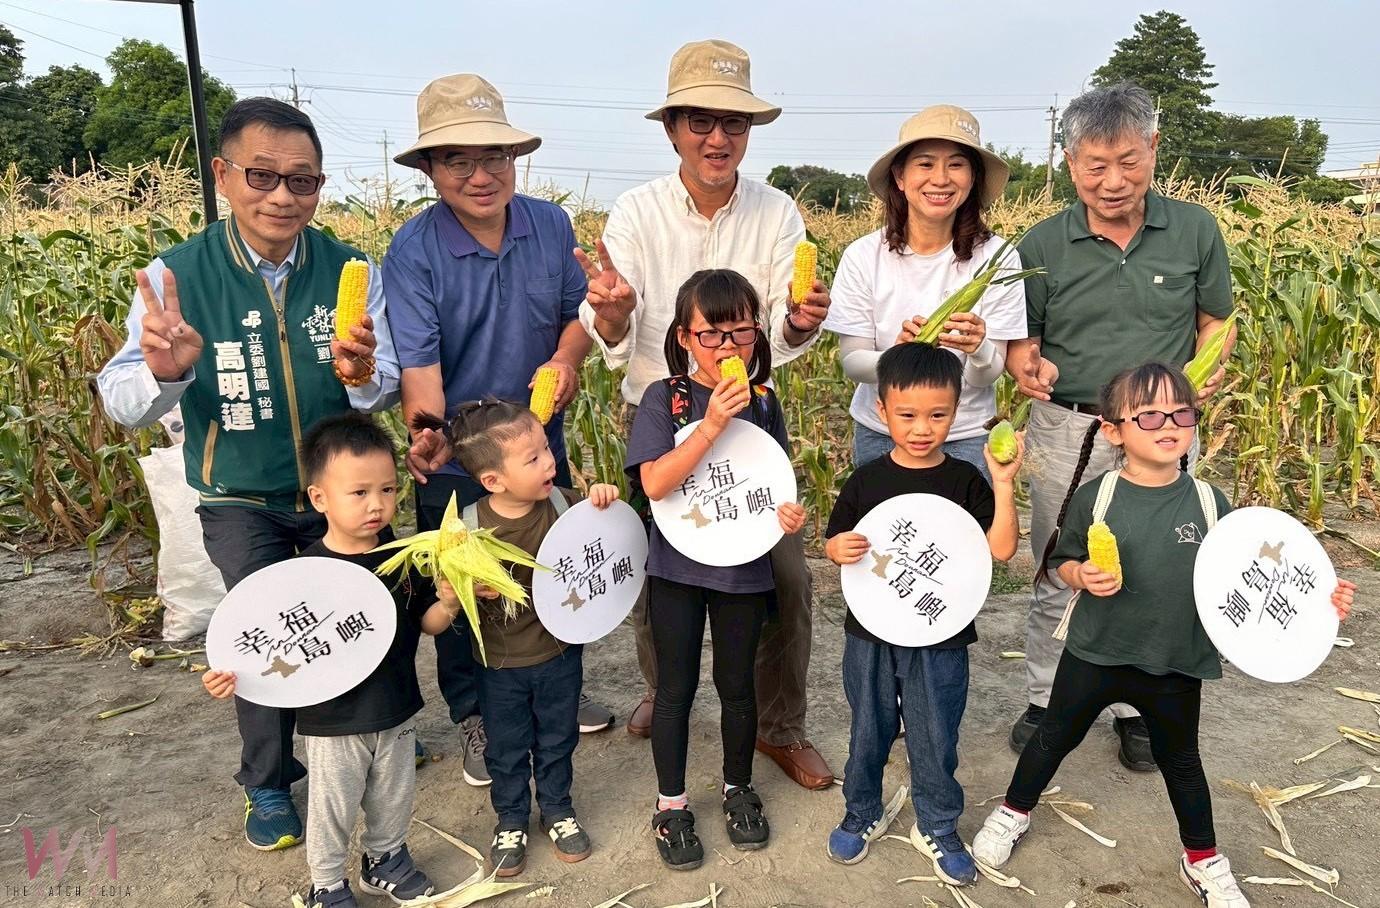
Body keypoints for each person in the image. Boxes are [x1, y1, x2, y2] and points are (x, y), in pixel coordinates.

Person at [96, 98, 399, 851]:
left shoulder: (350, 270)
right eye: (262, 175)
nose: (282, 196)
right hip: (240, 495)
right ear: (223, 176)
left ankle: (364, 733)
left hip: (343, 493)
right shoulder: (177, 277)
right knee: (268, 635)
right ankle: (268, 782)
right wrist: (166, 372)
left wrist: (363, 377)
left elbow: (383, 379)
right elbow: (122, 400)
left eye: (303, 181)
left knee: (364, 616)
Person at [972, 361, 1356, 907]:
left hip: (1174, 658)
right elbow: (1060, 562)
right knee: (1054, 736)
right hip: (1096, 652)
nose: (1169, 424)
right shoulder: (1095, 497)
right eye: (1149, 415)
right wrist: (1080, 574)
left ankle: (1201, 859)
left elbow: (1257, 574)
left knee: (1181, 760)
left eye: (1182, 412)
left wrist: (1318, 596)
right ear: (1113, 430)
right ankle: (1014, 811)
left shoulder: (1209, 503)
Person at [576, 39, 834, 789]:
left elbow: (782, 332)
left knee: (786, 574)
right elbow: (614, 332)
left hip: (750, 431)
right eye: (700, 122)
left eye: (734, 123)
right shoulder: (637, 211)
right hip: (663, 419)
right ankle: (666, 690)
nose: (717, 139)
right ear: (672, 129)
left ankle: (778, 726)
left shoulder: (779, 212)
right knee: (661, 575)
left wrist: (803, 324)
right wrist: (617, 312)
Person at [385, 73, 611, 789]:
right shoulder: (413, 251)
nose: (481, 176)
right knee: (466, 593)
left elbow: (579, 319)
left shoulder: (551, 225)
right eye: (458, 160)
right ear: (429, 169)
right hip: (460, 455)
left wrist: (567, 360)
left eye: (496, 158)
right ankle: (475, 714)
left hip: (540, 441)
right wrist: (431, 436)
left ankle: (552, 691)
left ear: (516, 160)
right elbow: (420, 369)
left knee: (554, 565)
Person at [1006, 83, 1237, 768]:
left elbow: (1215, 321)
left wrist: (1204, 371)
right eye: (1094, 164)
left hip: (1161, 427)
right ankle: (1048, 696)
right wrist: (1028, 367)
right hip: (1069, 428)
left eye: (1128, 162)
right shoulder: (1042, 243)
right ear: (1070, 160)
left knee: (1158, 565)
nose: (1112, 181)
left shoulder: (1194, 229)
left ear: (1153, 149)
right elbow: (1026, 339)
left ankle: (1142, 709)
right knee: (1060, 559)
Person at [202, 413, 444, 907]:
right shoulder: (300, 576)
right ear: (319, 499)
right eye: (359, 493)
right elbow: (262, 647)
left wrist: (449, 601)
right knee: (331, 807)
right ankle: (327, 883)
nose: (376, 505)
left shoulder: (401, 558)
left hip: (396, 707)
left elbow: (427, 622)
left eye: (387, 490)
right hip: (333, 723)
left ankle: (385, 858)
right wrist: (227, 677)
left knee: (392, 797)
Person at [624, 270, 808, 870]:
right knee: (676, 688)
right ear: (684, 337)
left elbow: (772, 477)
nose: (729, 349)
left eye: (742, 332)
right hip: (676, 568)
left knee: (738, 687)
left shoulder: (766, 402)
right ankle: (671, 803)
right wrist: (709, 427)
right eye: (712, 336)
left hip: (742, 568)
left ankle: (736, 787)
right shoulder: (665, 399)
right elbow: (654, 481)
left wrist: (787, 512)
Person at [822, 343, 1021, 885]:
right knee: (869, 726)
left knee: (937, 732)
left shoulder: (965, 481)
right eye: (907, 415)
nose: (921, 427)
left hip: (941, 632)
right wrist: (837, 548)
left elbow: (1001, 549)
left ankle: (937, 824)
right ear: (882, 410)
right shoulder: (866, 481)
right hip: (871, 629)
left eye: (938, 415)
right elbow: (835, 540)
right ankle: (861, 812)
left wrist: (1002, 482)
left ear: (956, 412)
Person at [412, 400, 620, 879]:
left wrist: (608, 499)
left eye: (546, 449)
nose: (549, 461)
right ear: (493, 481)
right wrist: (454, 593)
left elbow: (611, 538)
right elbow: (437, 618)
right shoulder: (466, 530)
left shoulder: (567, 506)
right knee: (505, 747)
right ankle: (510, 818)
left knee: (557, 737)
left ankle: (558, 809)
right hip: (499, 666)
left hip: (559, 657)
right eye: (533, 458)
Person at [826, 105, 1026, 478]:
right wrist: (895, 357)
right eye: (925, 163)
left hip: (965, 436)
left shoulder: (999, 259)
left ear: (972, 178)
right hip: (882, 433)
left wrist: (978, 347)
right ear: (900, 177)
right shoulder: (863, 256)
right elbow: (853, 362)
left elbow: (987, 375)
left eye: (955, 164)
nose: (940, 179)